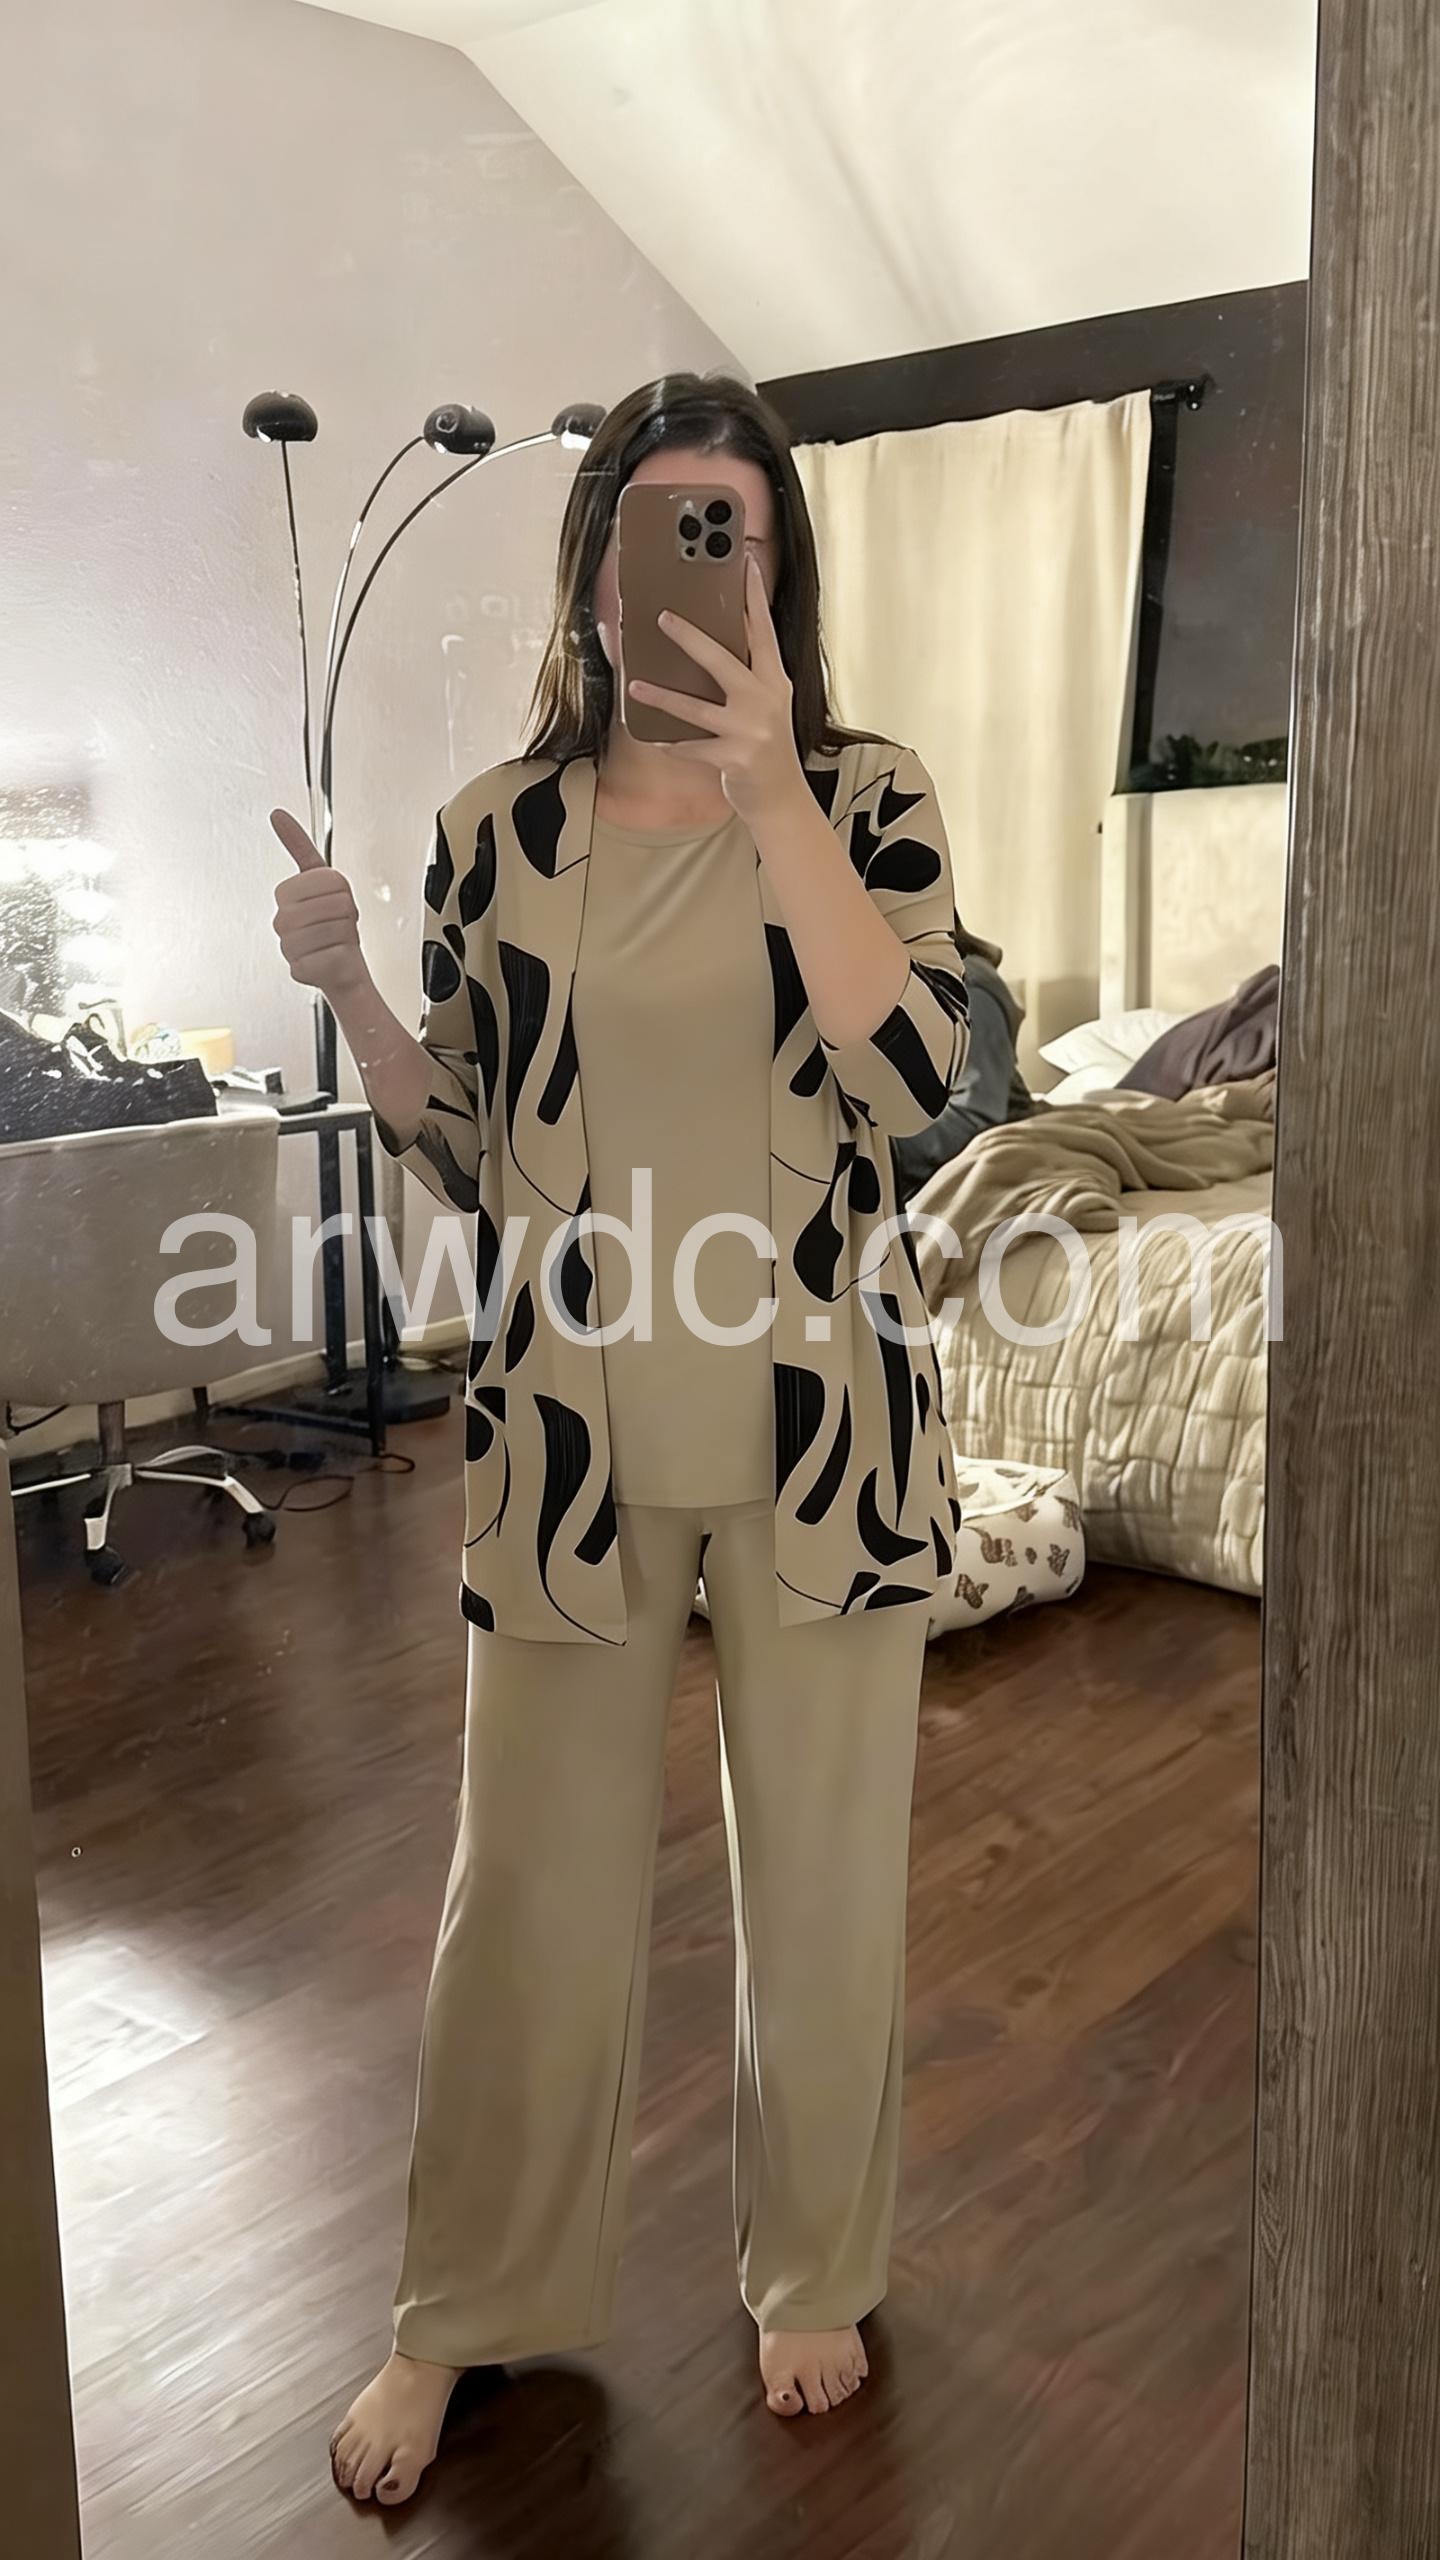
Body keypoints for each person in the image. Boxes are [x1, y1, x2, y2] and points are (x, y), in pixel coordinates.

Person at [270, 372, 970, 2506]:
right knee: (523, 1895)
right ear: (592, 566)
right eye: (655, 523)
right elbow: (468, 1147)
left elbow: (918, 1080)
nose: (690, 562)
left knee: (825, 1883)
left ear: (775, 569)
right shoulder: (499, 828)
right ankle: (461, 2308)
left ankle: (813, 2265)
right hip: (564, 1426)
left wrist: (771, 798)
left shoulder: (867, 793)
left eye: (726, 529)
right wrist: (353, 992)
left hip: (826, 1423)